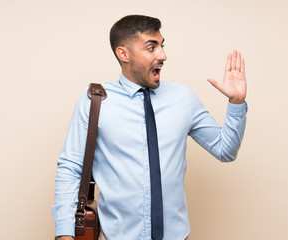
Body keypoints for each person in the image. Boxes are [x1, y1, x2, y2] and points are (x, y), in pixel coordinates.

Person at [52, 15, 247, 240]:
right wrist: (65, 234)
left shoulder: (183, 98)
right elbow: (70, 168)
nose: (162, 55)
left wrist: (236, 103)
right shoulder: (96, 101)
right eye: (151, 47)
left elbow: (226, 150)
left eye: (161, 46)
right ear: (123, 54)